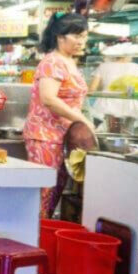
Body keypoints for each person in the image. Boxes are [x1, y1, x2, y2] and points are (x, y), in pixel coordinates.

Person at [24, 12, 91, 219]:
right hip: (45, 136)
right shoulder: (52, 62)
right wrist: (81, 119)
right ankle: (32, 241)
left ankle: (43, 238)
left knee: (54, 194)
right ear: (60, 37)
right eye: (77, 37)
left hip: (63, 138)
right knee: (43, 193)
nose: (82, 42)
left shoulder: (69, 61)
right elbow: (48, 99)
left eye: (84, 36)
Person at [89, 44, 138, 131]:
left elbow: (92, 89)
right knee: (127, 135)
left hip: (105, 106)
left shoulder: (103, 66)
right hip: (129, 107)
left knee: (104, 135)